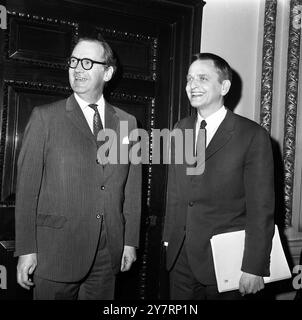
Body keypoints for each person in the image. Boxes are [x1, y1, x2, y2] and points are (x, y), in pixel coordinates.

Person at [14, 36, 141, 300]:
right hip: (54, 253)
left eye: (87, 62)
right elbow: (27, 191)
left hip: (107, 254)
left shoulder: (128, 123)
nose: (77, 69)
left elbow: (132, 189)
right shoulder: (45, 118)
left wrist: (129, 240)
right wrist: (26, 248)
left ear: (107, 72)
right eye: (73, 61)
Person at [163, 53, 275, 300]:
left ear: (224, 86)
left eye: (202, 78)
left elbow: (261, 207)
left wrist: (254, 266)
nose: (192, 85)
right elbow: (176, 193)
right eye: (190, 79)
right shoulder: (180, 129)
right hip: (180, 261)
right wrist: (168, 242)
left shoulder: (251, 135)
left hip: (228, 261)